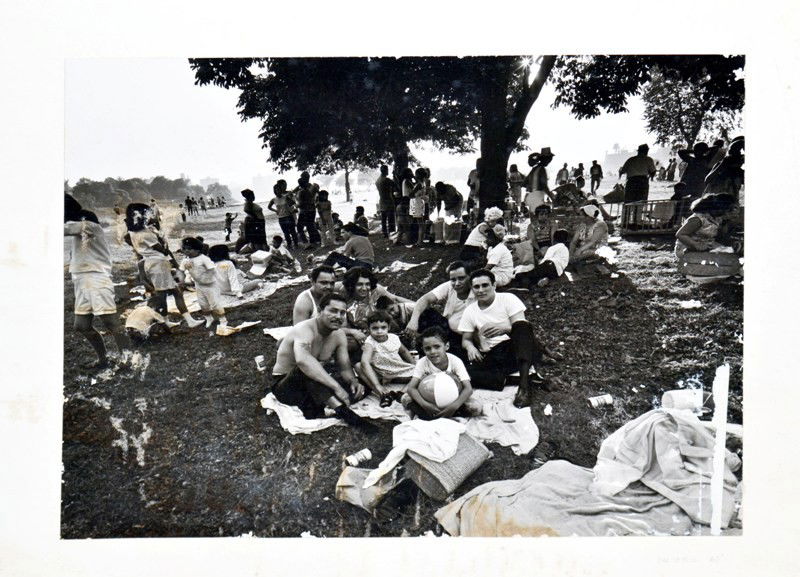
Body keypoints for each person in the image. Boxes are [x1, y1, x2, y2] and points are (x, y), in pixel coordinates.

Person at [270, 292, 376, 431]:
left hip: (315, 386)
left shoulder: (339, 335)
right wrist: (337, 388)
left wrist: (353, 381)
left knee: (363, 385)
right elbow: (303, 361)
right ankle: (342, 411)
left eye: (342, 313)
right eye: (333, 311)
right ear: (320, 311)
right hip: (288, 386)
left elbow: (344, 368)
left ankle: (321, 406)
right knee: (305, 367)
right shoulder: (304, 329)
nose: (338, 316)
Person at [458, 269, 552, 407]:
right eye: (476, 287)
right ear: (472, 289)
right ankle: (527, 379)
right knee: (464, 375)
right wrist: (470, 347)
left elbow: (522, 327)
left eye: (485, 285)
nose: (481, 290)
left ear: (494, 285)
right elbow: (465, 339)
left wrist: (504, 328)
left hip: (517, 346)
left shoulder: (508, 298)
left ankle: (524, 388)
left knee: (522, 327)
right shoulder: (470, 310)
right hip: (495, 353)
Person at [65, 195, 133, 369]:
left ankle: (128, 360)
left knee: (111, 322)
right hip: (81, 279)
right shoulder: (80, 233)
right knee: (81, 326)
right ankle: (104, 359)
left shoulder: (90, 227)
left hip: (96, 277)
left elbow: (65, 228)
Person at [124, 203, 203, 327]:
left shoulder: (133, 231)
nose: (151, 215)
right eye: (148, 213)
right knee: (166, 295)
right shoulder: (146, 233)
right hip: (158, 264)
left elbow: (129, 239)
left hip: (151, 263)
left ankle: (168, 321)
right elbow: (163, 250)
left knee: (170, 293)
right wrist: (163, 239)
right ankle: (177, 321)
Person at [401, 326, 481, 420]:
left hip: (452, 400)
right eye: (428, 348)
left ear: (446, 346)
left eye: (437, 347)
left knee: (476, 407)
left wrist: (453, 406)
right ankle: (438, 413)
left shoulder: (455, 361)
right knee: (405, 398)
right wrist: (425, 405)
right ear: (423, 349)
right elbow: (411, 388)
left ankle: (438, 414)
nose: (433, 352)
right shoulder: (422, 362)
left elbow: (468, 389)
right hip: (429, 399)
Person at [405, 261, 475, 359]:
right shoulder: (449, 286)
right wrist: (413, 321)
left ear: (470, 276)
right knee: (426, 313)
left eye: (461, 278)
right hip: (449, 328)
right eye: (453, 279)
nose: (457, 283)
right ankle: (424, 351)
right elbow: (425, 299)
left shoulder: (478, 289)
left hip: (468, 335)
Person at [357, 310, 416, 404]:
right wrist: (377, 385)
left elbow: (404, 351)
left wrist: (414, 365)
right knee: (358, 366)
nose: (379, 331)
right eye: (375, 328)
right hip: (381, 372)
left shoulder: (394, 338)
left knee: (420, 375)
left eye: (383, 327)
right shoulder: (370, 342)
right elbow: (365, 362)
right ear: (369, 329)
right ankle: (383, 394)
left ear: (388, 327)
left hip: (398, 369)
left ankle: (401, 393)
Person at [339, 267, 413, 334]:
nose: (364, 288)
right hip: (353, 330)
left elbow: (394, 298)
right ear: (351, 284)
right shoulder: (342, 292)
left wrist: (417, 306)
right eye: (359, 284)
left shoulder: (376, 290)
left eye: (367, 284)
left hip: (377, 327)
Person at [179, 237, 228, 329]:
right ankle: (209, 318)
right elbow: (181, 271)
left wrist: (206, 277)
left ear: (197, 250)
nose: (186, 251)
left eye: (189, 249)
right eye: (184, 249)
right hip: (199, 285)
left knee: (215, 304)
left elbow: (212, 269)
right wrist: (182, 280)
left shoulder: (203, 259)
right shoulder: (185, 261)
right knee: (203, 304)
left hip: (210, 285)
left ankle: (223, 319)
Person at [675, 193, 738, 260]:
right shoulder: (698, 219)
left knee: (729, 252)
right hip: (688, 248)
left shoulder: (716, 218)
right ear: (720, 208)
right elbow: (680, 234)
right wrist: (696, 245)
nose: (732, 212)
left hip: (705, 245)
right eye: (729, 210)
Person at [459, 206, 504, 271]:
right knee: (481, 261)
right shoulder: (484, 226)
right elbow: (491, 239)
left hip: (475, 249)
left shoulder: (488, 227)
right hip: (470, 249)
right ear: (490, 220)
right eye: (495, 221)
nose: (496, 224)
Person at [267, 180, 299, 249]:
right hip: (281, 218)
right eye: (276, 190)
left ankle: (296, 244)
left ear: (281, 190)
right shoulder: (273, 199)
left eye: (278, 189)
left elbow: (293, 203)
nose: (277, 191)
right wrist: (275, 211)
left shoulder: (285, 197)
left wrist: (293, 210)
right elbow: (269, 207)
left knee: (293, 231)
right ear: (274, 191)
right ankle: (289, 245)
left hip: (289, 216)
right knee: (286, 233)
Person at [524, 148, 556, 214]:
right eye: (549, 159)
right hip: (538, 197)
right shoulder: (542, 170)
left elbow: (524, 183)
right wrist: (553, 198)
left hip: (531, 196)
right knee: (541, 219)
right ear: (545, 159)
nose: (550, 161)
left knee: (534, 219)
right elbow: (544, 186)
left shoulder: (534, 169)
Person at [293, 171, 321, 247]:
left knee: (304, 226)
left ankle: (308, 242)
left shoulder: (305, 189)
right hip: (310, 209)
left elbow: (301, 202)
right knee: (310, 226)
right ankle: (314, 240)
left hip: (305, 210)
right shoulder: (308, 187)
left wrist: (295, 205)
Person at [240, 189, 267, 253]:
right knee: (258, 240)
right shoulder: (248, 203)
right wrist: (254, 217)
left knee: (260, 239)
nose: (254, 196)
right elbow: (246, 210)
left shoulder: (251, 203)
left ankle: (260, 253)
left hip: (259, 221)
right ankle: (260, 253)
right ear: (249, 196)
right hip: (257, 222)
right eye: (252, 195)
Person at [375, 165, 397, 238]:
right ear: (385, 170)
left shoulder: (377, 180)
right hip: (389, 200)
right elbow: (396, 187)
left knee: (384, 219)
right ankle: (392, 233)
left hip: (381, 200)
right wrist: (395, 175)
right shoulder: (387, 180)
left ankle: (385, 233)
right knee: (391, 219)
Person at [409, 174, 429, 246]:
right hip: (419, 203)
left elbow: (410, 194)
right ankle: (420, 240)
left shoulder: (418, 185)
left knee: (420, 223)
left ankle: (420, 241)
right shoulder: (422, 184)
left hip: (417, 203)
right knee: (421, 223)